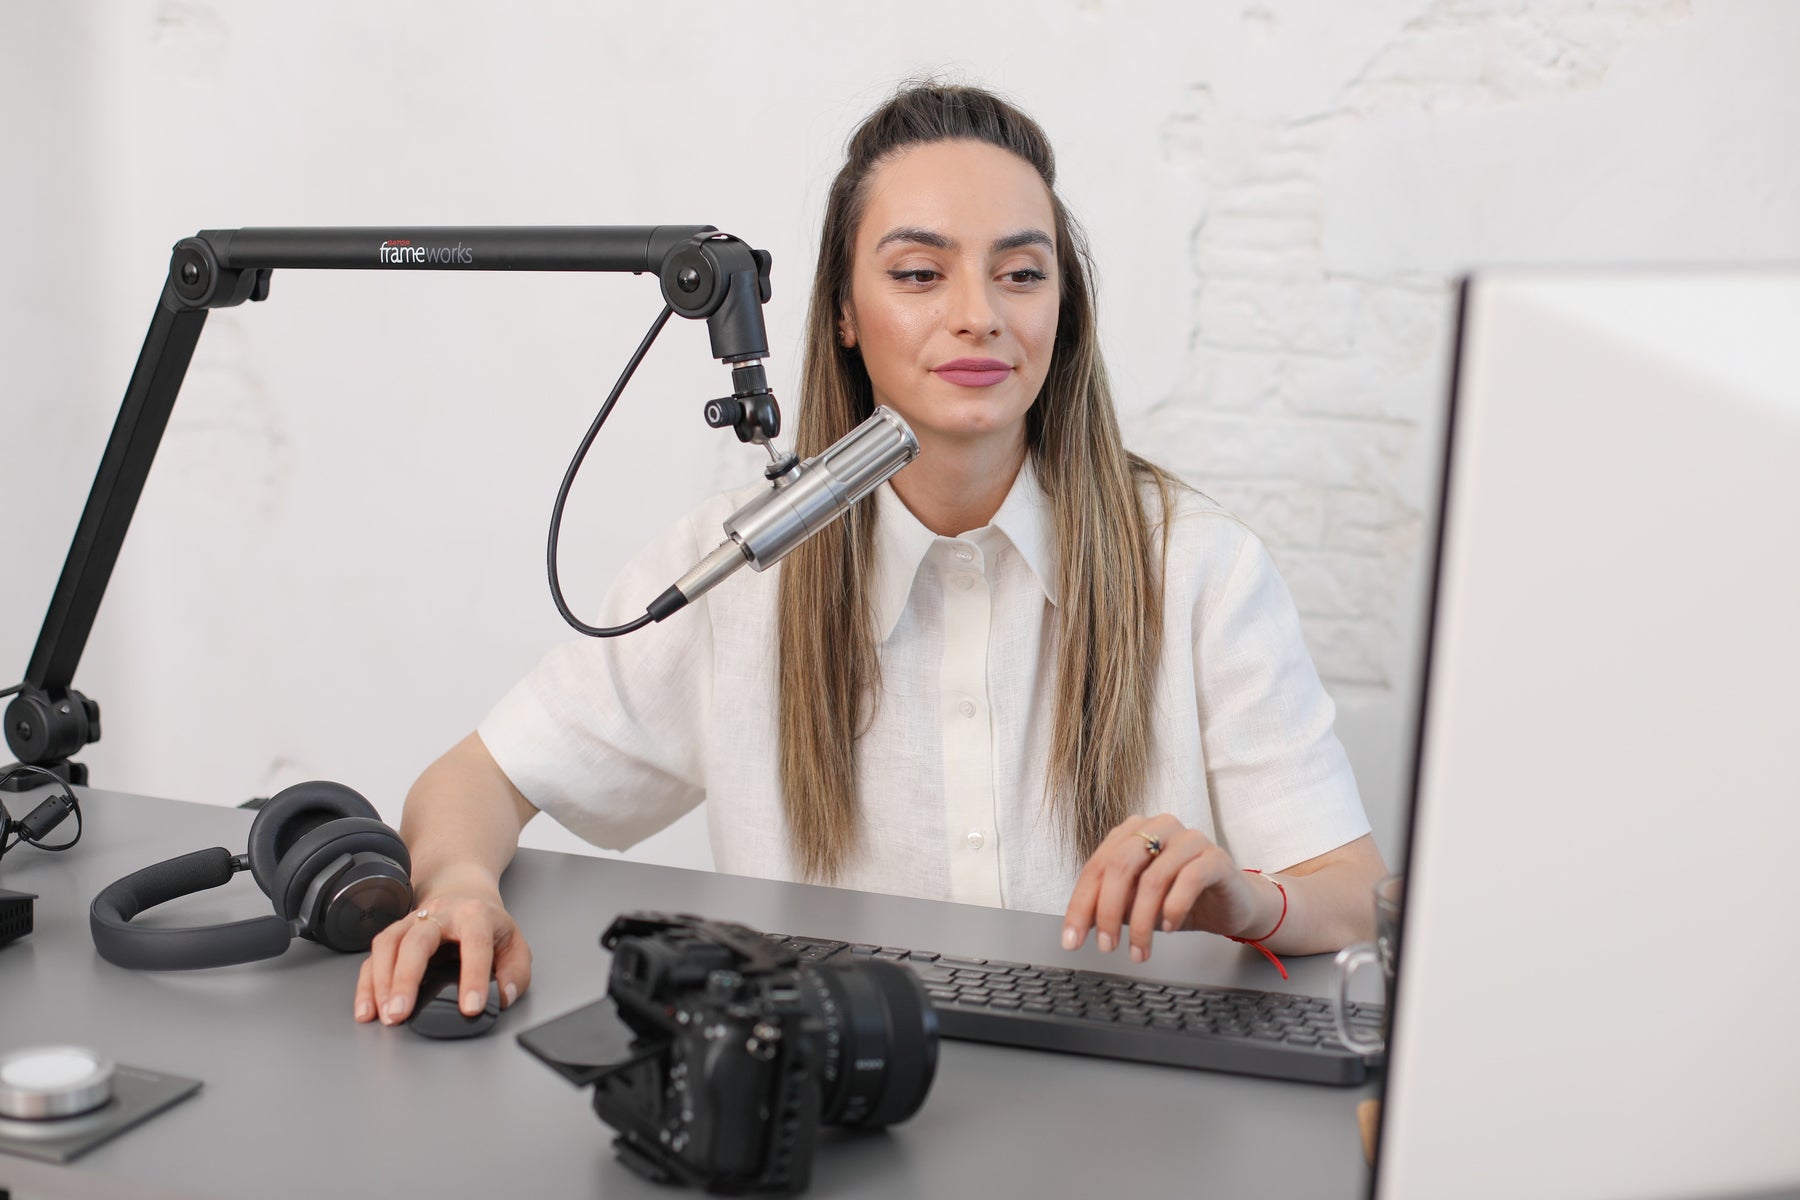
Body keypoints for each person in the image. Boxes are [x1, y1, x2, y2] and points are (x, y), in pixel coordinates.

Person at [354, 83, 1388, 1027]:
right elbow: (473, 782)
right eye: (919, 273)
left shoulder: (1200, 570)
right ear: (845, 314)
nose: (978, 314)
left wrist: (1252, 900)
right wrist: (458, 893)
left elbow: (1348, 891)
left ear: (1062, 308)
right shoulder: (737, 573)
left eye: (1021, 273)